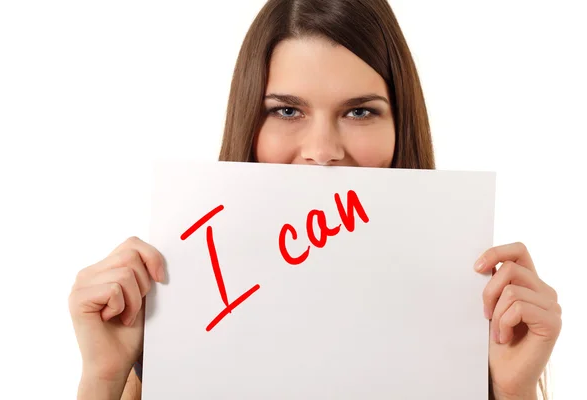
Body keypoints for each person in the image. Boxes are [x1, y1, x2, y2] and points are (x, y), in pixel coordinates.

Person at [68, 0, 562, 399]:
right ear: (249, 123)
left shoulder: (467, 317)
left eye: (361, 112)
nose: (323, 153)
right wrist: (103, 379)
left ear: (400, 125)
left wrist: (514, 389)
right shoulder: (181, 316)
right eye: (286, 110)